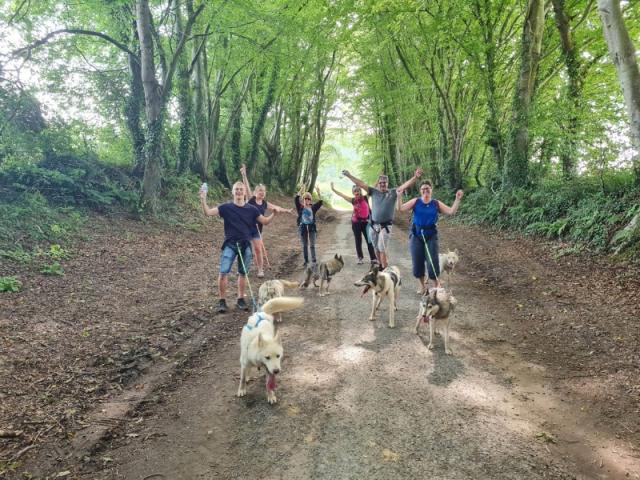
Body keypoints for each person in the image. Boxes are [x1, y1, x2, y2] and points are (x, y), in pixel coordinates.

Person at [200, 181, 277, 313]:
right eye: (237, 189)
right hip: (230, 244)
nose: (239, 191)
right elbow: (208, 212)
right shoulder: (226, 207)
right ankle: (222, 301)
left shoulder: (252, 209)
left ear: (245, 192)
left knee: (243, 274)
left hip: (245, 245)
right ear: (233, 191)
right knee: (223, 272)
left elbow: (264, 221)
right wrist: (203, 200)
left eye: (241, 189)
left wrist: (274, 214)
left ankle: (240, 299)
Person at [342, 168, 423, 268]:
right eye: (381, 183)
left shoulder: (393, 192)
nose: (382, 184)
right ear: (378, 183)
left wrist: (415, 177)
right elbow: (361, 184)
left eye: (384, 182)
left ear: (388, 183)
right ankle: (380, 267)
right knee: (376, 247)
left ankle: (384, 268)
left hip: (386, 226)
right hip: (373, 225)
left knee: (382, 248)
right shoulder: (373, 191)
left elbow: (405, 185)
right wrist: (349, 176)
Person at [398, 181, 463, 293]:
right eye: (423, 188)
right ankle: (422, 286)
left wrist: (457, 199)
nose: (425, 190)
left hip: (431, 235)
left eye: (427, 188)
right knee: (417, 261)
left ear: (431, 190)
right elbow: (400, 208)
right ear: (420, 191)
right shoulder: (416, 201)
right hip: (417, 234)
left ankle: (436, 286)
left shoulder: (435, 203)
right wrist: (399, 197)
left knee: (432, 261)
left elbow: (451, 211)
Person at [240, 164, 292, 278]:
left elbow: (276, 207)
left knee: (258, 249)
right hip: (246, 228)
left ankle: (260, 270)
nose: (262, 192)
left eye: (263, 191)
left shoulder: (264, 203)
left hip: (257, 230)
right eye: (259, 190)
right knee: (246, 249)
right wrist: (244, 175)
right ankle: (245, 268)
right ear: (255, 192)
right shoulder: (251, 199)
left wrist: (286, 210)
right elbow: (247, 187)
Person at [330, 182, 376, 264]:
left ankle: (373, 258)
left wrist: (378, 179)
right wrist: (333, 189)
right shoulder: (352, 200)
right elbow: (342, 195)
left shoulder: (365, 198)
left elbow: (371, 189)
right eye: (355, 191)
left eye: (358, 190)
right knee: (358, 241)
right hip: (356, 223)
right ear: (353, 193)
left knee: (369, 240)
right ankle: (360, 258)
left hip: (366, 223)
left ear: (360, 191)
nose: (357, 192)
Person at [294, 183, 323, 268]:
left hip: (312, 228)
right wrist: (301, 190)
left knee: (312, 245)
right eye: (305, 198)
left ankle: (314, 261)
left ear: (310, 200)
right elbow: (296, 199)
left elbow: (320, 202)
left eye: (308, 199)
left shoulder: (313, 207)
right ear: (303, 199)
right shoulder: (300, 207)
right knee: (305, 245)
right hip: (303, 228)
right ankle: (306, 261)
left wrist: (318, 193)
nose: (307, 200)